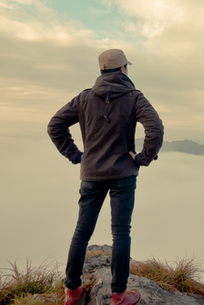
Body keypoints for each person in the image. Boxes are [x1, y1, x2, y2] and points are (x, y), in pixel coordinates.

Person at [47, 49, 163, 305]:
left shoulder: (84, 98)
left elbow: (55, 125)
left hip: (91, 174)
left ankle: (72, 291)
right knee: (121, 233)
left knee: (81, 231)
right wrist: (142, 158)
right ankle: (119, 296)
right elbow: (155, 127)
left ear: (102, 71)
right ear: (123, 69)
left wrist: (77, 155)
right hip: (123, 174)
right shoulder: (134, 97)